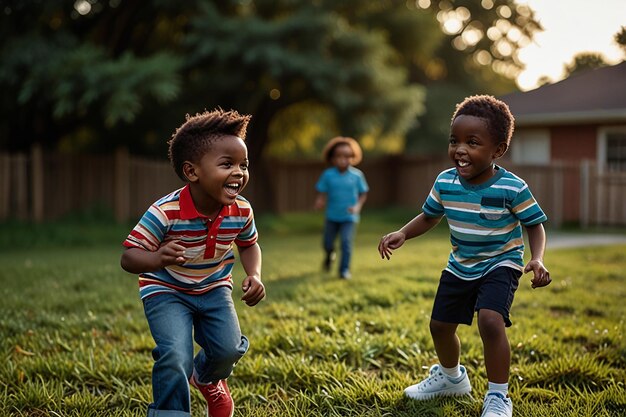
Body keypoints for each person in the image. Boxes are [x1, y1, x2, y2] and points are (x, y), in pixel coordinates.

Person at [378, 95, 551, 417]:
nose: (460, 149)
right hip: (460, 265)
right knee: (440, 326)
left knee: (490, 320)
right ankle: (451, 377)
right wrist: (403, 232)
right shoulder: (445, 181)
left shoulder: (512, 187)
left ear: (497, 150)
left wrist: (537, 258)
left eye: (472, 142)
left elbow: (535, 225)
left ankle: (498, 396)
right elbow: (429, 216)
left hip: (501, 262)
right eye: (454, 140)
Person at [120, 108, 265, 417]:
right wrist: (157, 258)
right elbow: (129, 256)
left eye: (244, 164)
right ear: (192, 172)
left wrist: (254, 273)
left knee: (227, 349)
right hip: (166, 290)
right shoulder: (165, 212)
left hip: (213, 288)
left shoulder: (241, 210)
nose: (239, 172)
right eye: (227, 164)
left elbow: (249, 244)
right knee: (175, 356)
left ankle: (206, 378)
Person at [314, 136, 369, 279]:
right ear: (332, 158)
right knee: (327, 243)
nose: (343, 159)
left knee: (346, 242)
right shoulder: (328, 175)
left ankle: (344, 270)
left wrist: (357, 206)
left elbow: (363, 194)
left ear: (353, 157)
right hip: (331, 216)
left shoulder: (357, 176)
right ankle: (329, 254)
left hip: (349, 216)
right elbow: (322, 192)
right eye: (339, 156)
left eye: (347, 156)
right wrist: (320, 201)